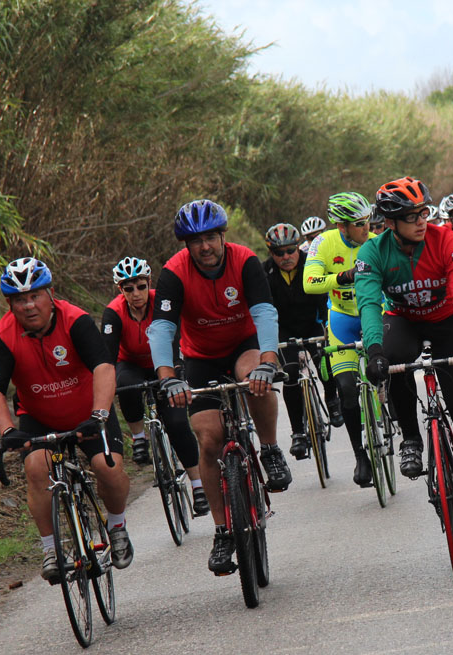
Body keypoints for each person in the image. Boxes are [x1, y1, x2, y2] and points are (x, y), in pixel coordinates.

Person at [147, 200, 292, 576]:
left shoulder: (244, 261)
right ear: (185, 245)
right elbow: (161, 328)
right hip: (200, 357)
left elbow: (264, 313)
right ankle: (223, 530)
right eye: (195, 241)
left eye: (210, 237)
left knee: (254, 378)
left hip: (244, 345)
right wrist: (168, 378)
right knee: (209, 439)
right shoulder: (173, 274)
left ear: (222, 236)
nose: (205, 246)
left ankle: (271, 449)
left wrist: (269, 362)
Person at [355, 176, 453, 544]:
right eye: (410, 216)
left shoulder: (446, 241)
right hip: (402, 320)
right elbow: (370, 303)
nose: (422, 221)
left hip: (447, 320)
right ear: (390, 223)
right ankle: (411, 439)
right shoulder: (373, 253)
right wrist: (373, 351)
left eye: (423, 212)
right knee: (393, 358)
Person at [0, 258, 134, 582]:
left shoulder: (76, 321)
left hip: (89, 412)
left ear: (51, 294)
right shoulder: (1, 337)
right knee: (36, 468)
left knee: (109, 469)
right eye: (20, 300)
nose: (29, 305)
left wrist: (100, 414)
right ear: (10, 304)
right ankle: (51, 548)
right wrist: (7, 430)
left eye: (35, 296)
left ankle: (117, 525)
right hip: (39, 417)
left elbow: (104, 368)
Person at [102, 257, 209, 516]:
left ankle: (198, 485)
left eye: (140, 286)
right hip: (131, 364)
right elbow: (107, 356)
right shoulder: (113, 312)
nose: (136, 294)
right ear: (121, 290)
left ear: (149, 283)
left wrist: (176, 373)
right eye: (129, 289)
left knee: (178, 423)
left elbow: (177, 337)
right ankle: (139, 437)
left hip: (166, 362)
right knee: (125, 385)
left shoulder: (162, 302)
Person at [304, 192, 378, 486]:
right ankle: (361, 455)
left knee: (387, 363)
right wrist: (342, 277)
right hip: (342, 319)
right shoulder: (323, 243)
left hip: (374, 312)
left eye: (368, 221)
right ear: (341, 226)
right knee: (347, 388)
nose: (367, 228)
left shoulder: (375, 242)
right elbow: (309, 284)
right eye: (359, 224)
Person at [261, 222, 342, 460]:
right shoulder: (265, 273)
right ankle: (298, 433)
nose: (286, 256)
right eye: (279, 252)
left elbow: (324, 297)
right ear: (271, 253)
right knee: (291, 375)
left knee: (323, 360)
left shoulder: (312, 263)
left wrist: (327, 326)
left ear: (298, 247)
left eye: (290, 250)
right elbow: (264, 308)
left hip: (312, 321)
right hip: (284, 328)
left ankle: (331, 399)